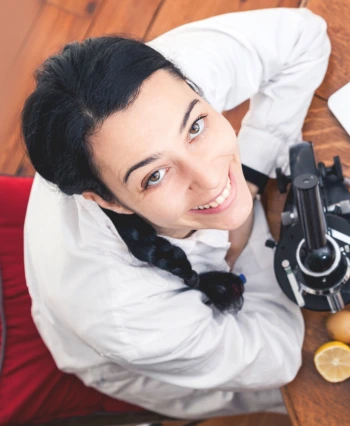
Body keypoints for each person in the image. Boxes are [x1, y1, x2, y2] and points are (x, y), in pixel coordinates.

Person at [20, 7, 330, 420]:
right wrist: (243, 222)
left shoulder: (151, 89)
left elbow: (302, 37)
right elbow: (279, 352)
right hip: (129, 352)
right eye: (155, 175)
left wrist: (251, 175)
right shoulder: (129, 319)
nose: (209, 177)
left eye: (197, 126)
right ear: (107, 200)